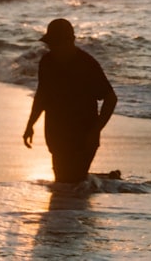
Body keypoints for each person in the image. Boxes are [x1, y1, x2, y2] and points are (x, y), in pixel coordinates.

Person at [23, 18, 118, 183]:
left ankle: (103, 182)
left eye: (57, 43)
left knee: (73, 182)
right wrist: (30, 125)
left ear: (70, 41)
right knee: (63, 183)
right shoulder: (47, 62)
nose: (53, 48)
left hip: (84, 134)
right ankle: (106, 179)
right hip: (56, 134)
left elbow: (111, 99)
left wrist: (96, 130)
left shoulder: (87, 64)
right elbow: (42, 96)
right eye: (51, 44)